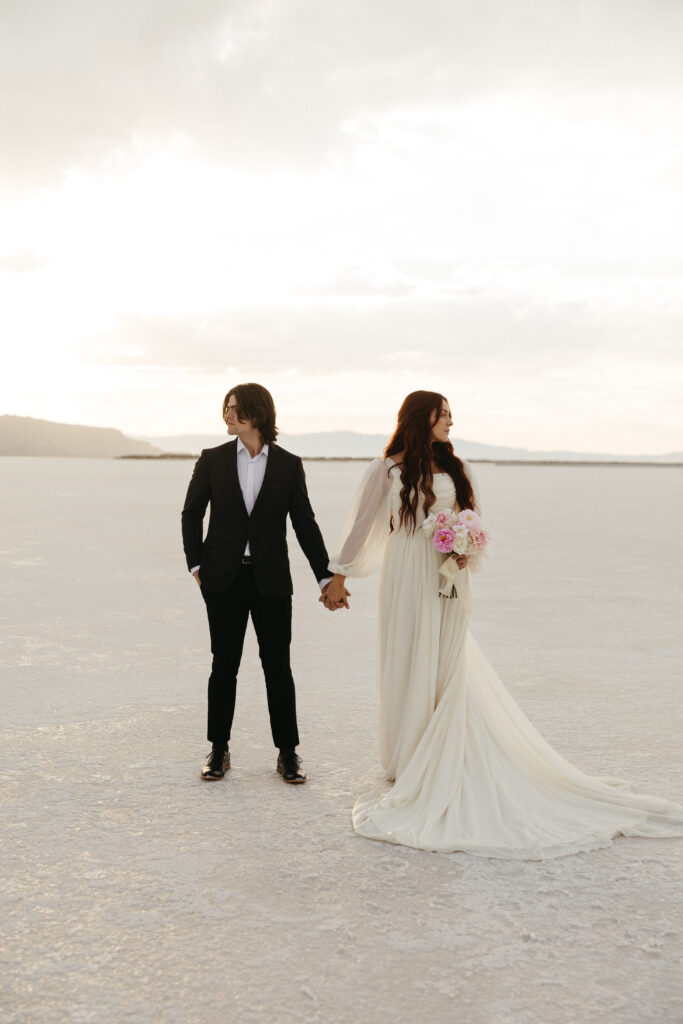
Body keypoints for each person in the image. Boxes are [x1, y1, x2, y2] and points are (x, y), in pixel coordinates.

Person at [322, 390, 683, 858]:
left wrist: (464, 544)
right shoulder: (386, 469)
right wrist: (339, 576)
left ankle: (441, 748)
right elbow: (365, 525)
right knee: (410, 651)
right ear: (420, 417)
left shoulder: (457, 468)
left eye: (451, 414)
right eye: (443, 414)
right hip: (407, 573)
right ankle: (410, 752)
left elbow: (471, 519)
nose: (451, 421)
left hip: (448, 572)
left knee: (447, 656)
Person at [182, 383, 340, 783]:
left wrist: (326, 576)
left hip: (271, 580)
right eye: (226, 408)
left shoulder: (288, 464)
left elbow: (305, 524)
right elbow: (191, 513)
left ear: (257, 413)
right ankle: (218, 749)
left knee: (278, 667)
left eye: (235, 409)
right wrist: (196, 565)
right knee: (224, 665)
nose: (227, 415)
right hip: (222, 579)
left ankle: (288, 753)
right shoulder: (213, 459)